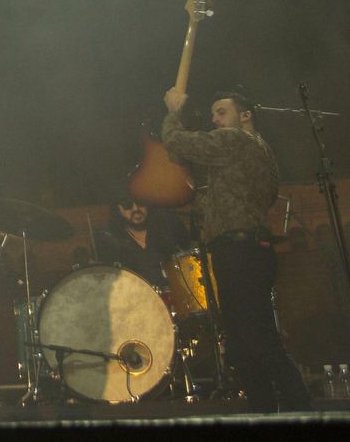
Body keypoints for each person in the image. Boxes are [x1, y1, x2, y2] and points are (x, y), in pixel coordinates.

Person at [161, 88, 311, 412]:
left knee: (256, 339)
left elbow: (180, 142)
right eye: (213, 114)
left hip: (240, 252)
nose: (214, 120)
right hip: (249, 249)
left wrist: (173, 112)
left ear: (245, 116)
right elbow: (247, 199)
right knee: (244, 344)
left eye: (221, 112)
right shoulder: (263, 153)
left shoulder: (236, 141)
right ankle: (268, 410)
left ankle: (299, 409)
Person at [92, 196, 191, 288]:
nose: (136, 209)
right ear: (118, 209)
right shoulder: (112, 239)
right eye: (127, 205)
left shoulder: (166, 227)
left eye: (140, 203)